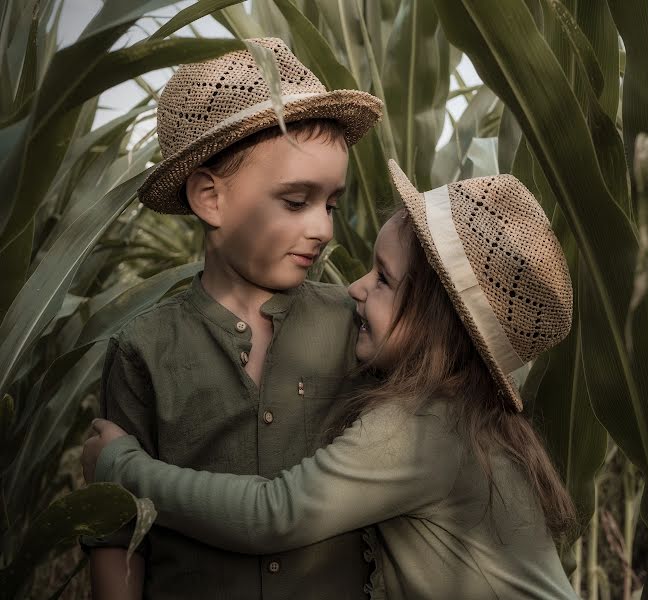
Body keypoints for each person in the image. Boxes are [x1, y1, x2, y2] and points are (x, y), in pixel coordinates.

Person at [85, 159, 580, 599]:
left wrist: (120, 466)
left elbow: (272, 515)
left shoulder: (422, 430)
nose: (356, 287)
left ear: (437, 325)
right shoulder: (464, 414)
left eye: (383, 279)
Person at [83, 37, 384, 599]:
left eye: (331, 205)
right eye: (296, 202)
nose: (323, 228)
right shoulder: (143, 349)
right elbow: (117, 531)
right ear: (209, 198)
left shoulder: (355, 329)